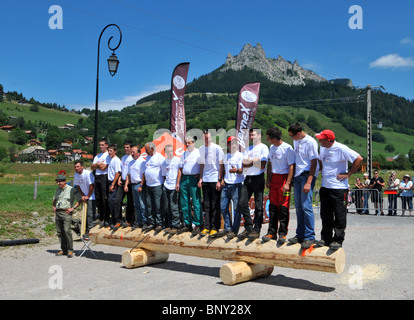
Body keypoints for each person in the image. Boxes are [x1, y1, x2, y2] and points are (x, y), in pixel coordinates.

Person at [315, 129, 363, 250]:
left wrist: (349, 173)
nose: (319, 140)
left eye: (321, 139)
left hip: (338, 188)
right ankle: (326, 238)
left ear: (328, 140)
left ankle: (338, 239)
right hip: (325, 186)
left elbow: (359, 158)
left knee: (339, 214)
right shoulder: (323, 148)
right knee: (325, 214)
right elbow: (321, 160)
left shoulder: (341, 148)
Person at [287, 123, 319, 249]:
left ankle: (310, 236)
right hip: (298, 175)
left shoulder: (310, 142)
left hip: (307, 175)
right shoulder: (297, 141)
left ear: (298, 133)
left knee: (306, 206)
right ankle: (300, 234)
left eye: (292, 136)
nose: (291, 138)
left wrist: (309, 181)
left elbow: (314, 162)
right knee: (299, 207)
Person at [263, 127, 295, 244]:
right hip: (274, 179)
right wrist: (268, 179)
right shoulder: (271, 148)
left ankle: (282, 233)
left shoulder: (287, 148)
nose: (267, 139)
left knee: (283, 207)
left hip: (283, 179)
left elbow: (292, 166)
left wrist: (288, 182)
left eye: (268, 138)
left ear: (273, 138)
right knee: (272, 207)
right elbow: (270, 164)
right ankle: (271, 232)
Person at [237, 128, 269, 241]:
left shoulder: (264, 147)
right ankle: (248, 227)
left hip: (258, 178)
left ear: (259, 135)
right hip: (248, 178)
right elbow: (243, 164)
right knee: (242, 202)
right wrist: (253, 161)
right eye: (250, 135)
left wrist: (249, 162)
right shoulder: (248, 148)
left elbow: (262, 165)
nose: (252, 137)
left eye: (253, 135)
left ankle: (257, 229)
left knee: (259, 205)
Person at [198, 130, 224, 237]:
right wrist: (200, 178)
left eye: (208, 138)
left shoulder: (217, 148)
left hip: (214, 179)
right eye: (205, 138)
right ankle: (207, 227)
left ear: (211, 138)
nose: (207, 140)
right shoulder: (201, 149)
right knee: (207, 205)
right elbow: (201, 165)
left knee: (215, 205)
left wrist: (219, 180)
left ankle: (215, 227)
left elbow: (221, 164)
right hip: (205, 179)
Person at [175, 136, 202, 235]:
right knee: (184, 202)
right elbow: (180, 169)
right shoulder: (184, 154)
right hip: (184, 178)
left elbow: (202, 165)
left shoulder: (198, 152)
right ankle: (187, 224)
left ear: (194, 143)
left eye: (189, 143)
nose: (187, 145)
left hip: (193, 179)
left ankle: (198, 224)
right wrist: (178, 182)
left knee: (196, 202)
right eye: (186, 143)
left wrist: (200, 176)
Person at [220, 136, 244, 239]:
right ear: (228, 144)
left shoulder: (240, 156)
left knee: (236, 209)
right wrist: (221, 179)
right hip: (226, 184)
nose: (233, 145)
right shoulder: (225, 157)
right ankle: (227, 228)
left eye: (235, 143)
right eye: (231, 143)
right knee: (223, 207)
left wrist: (236, 171)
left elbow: (243, 170)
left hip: (236, 183)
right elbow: (223, 169)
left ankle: (234, 230)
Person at [53, 174, 80, 258]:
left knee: (66, 231)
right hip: (58, 212)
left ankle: (70, 250)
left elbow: (79, 200)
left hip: (66, 213)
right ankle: (63, 249)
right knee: (60, 232)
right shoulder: (58, 189)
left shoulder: (71, 190)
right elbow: (55, 199)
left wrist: (73, 208)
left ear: (64, 181)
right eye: (57, 181)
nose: (58, 183)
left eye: (60, 181)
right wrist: (54, 206)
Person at [142, 142, 165, 232]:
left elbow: (164, 173)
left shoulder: (160, 158)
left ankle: (159, 223)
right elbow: (145, 171)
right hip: (148, 185)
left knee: (158, 205)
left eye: (147, 150)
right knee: (149, 204)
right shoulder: (147, 158)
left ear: (152, 149)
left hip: (157, 184)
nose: (146, 152)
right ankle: (151, 222)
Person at [161, 144, 182, 233]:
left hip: (174, 186)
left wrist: (177, 183)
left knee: (174, 206)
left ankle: (176, 225)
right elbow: (165, 175)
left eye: (171, 151)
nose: (169, 153)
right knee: (167, 206)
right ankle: (169, 224)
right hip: (167, 186)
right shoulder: (164, 162)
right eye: (168, 151)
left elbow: (179, 172)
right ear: (165, 152)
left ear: (173, 151)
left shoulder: (177, 160)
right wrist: (165, 185)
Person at [125, 145, 147, 229]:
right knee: (136, 204)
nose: (132, 153)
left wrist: (141, 185)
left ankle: (145, 221)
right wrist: (126, 185)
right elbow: (128, 175)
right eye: (131, 152)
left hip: (139, 184)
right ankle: (139, 221)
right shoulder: (130, 162)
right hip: (133, 185)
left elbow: (144, 175)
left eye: (133, 152)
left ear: (139, 153)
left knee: (142, 204)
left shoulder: (142, 162)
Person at [91, 138, 111, 226]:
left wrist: (97, 165)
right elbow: (92, 167)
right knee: (98, 197)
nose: (100, 147)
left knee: (104, 198)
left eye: (102, 145)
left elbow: (104, 168)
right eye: (99, 145)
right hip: (97, 177)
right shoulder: (97, 156)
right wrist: (98, 164)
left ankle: (106, 217)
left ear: (106, 145)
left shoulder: (108, 155)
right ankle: (100, 216)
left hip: (104, 177)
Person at [73, 160, 96, 236]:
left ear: (82, 167)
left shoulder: (87, 174)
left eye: (78, 166)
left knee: (90, 214)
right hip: (84, 196)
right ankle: (84, 230)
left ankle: (90, 231)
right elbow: (78, 186)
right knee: (85, 214)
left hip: (91, 196)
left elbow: (91, 186)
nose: (76, 168)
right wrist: (82, 195)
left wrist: (88, 196)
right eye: (75, 167)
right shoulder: (76, 175)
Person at [115, 141, 134, 227]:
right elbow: (121, 170)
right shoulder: (123, 158)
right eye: (125, 147)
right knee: (117, 201)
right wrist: (119, 179)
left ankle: (129, 220)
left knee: (130, 202)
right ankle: (118, 220)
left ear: (131, 148)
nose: (126, 149)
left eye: (127, 147)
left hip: (129, 182)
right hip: (122, 181)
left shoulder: (132, 158)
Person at [107, 144, 122, 229]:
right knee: (110, 202)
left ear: (115, 151)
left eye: (111, 151)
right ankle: (112, 218)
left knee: (113, 201)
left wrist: (113, 184)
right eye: (108, 151)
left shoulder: (116, 160)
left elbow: (117, 172)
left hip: (114, 182)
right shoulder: (111, 160)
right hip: (110, 181)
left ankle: (116, 220)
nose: (109, 152)